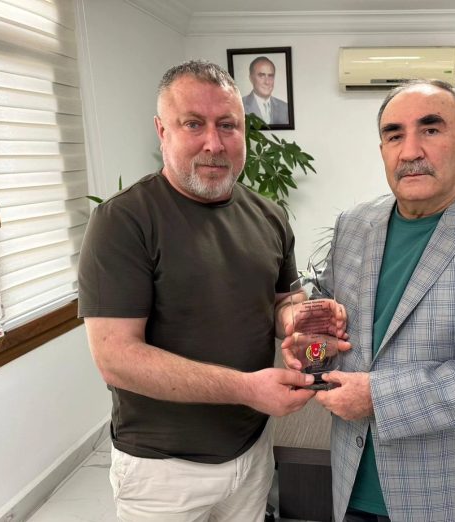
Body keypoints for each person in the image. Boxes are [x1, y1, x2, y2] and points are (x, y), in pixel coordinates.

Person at [78, 60, 344, 521]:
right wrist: (247, 388)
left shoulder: (269, 214)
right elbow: (115, 357)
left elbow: (283, 300)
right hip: (163, 470)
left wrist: (302, 322)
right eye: (193, 124)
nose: (214, 143)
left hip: (252, 449)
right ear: (162, 130)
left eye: (227, 125)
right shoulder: (123, 221)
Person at [285, 80, 455, 521]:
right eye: (394, 135)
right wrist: (311, 341)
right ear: (383, 150)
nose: (409, 151)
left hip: (451, 495)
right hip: (350, 480)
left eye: (431, 130)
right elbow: (331, 315)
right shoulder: (354, 224)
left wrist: (379, 398)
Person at [242, 56, 289, 125]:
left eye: (270, 76)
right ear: (251, 78)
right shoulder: (240, 106)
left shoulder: (285, 108)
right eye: (261, 76)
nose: (267, 82)